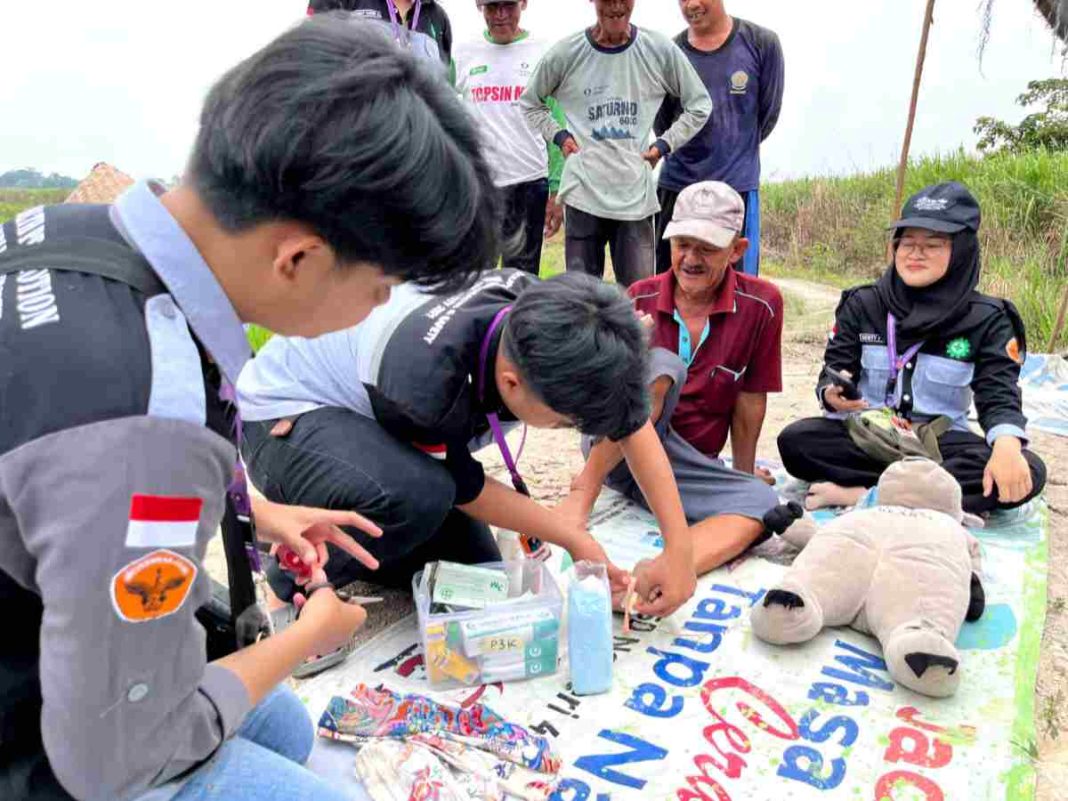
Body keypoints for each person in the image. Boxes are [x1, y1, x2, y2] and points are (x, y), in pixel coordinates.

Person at [0, 18, 500, 801]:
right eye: (380, 286)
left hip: (38, 605)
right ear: (298, 257)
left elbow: (54, 466)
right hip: (47, 739)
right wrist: (307, 637)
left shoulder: (71, 231)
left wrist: (255, 509)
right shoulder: (145, 430)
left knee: (289, 731)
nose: (378, 307)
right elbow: (115, 763)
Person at [237, 269, 698, 618]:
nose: (569, 428)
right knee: (420, 495)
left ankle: (378, 539)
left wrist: (679, 553)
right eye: (562, 423)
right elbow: (464, 488)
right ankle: (288, 581)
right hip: (285, 419)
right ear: (511, 384)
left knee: (478, 574)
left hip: (378, 416)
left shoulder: (549, 316)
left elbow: (630, 422)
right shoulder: (425, 383)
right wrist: (574, 537)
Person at [778, 182, 1047, 516]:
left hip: (939, 446)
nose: (915, 253)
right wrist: (831, 394)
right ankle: (925, 496)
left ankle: (863, 495)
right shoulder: (863, 303)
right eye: (907, 242)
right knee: (796, 441)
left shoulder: (988, 319)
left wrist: (1007, 445)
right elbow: (835, 369)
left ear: (961, 251)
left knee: (1028, 471)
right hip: (870, 435)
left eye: (932, 244)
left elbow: (998, 392)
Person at [558, 181, 786, 573]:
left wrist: (738, 476)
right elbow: (599, 397)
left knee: (762, 503)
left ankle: (667, 571)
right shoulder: (638, 298)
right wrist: (629, 350)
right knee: (662, 364)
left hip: (685, 467)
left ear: (737, 251)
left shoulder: (762, 304)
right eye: (682, 244)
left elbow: (750, 400)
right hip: (619, 451)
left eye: (707, 248)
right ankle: (584, 491)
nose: (690, 259)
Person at [519, 0, 712, 286]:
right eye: (607, 0)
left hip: (635, 199)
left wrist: (664, 144)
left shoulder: (657, 50)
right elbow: (530, 102)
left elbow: (700, 105)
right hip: (583, 194)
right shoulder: (567, 52)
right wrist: (560, 136)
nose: (616, 6)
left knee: (639, 302)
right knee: (583, 304)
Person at [653, 0, 784, 277]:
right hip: (677, 189)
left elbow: (766, 116)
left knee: (737, 293)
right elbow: (663, 123)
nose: (692, 5)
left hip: (737, 188)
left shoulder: (762, 44)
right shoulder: (669, 53)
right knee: (671, 288)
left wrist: (734, 148)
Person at [454, 0, 565, 274]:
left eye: (508, 6)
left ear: (524, 4)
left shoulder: (544, 52)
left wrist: (556, 188)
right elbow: (436, 105)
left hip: (529, 184)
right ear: (479, 7)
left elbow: (557, 120)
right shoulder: (463, 52)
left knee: (520, 281)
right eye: (492, 7)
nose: (500, 16)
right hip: (480, 188)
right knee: (476, 279)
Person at [308, 0, 454, 75]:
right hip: (359, 128)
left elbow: (444, 88)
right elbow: (312, 62)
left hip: (422, 130)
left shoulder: (438, 18)